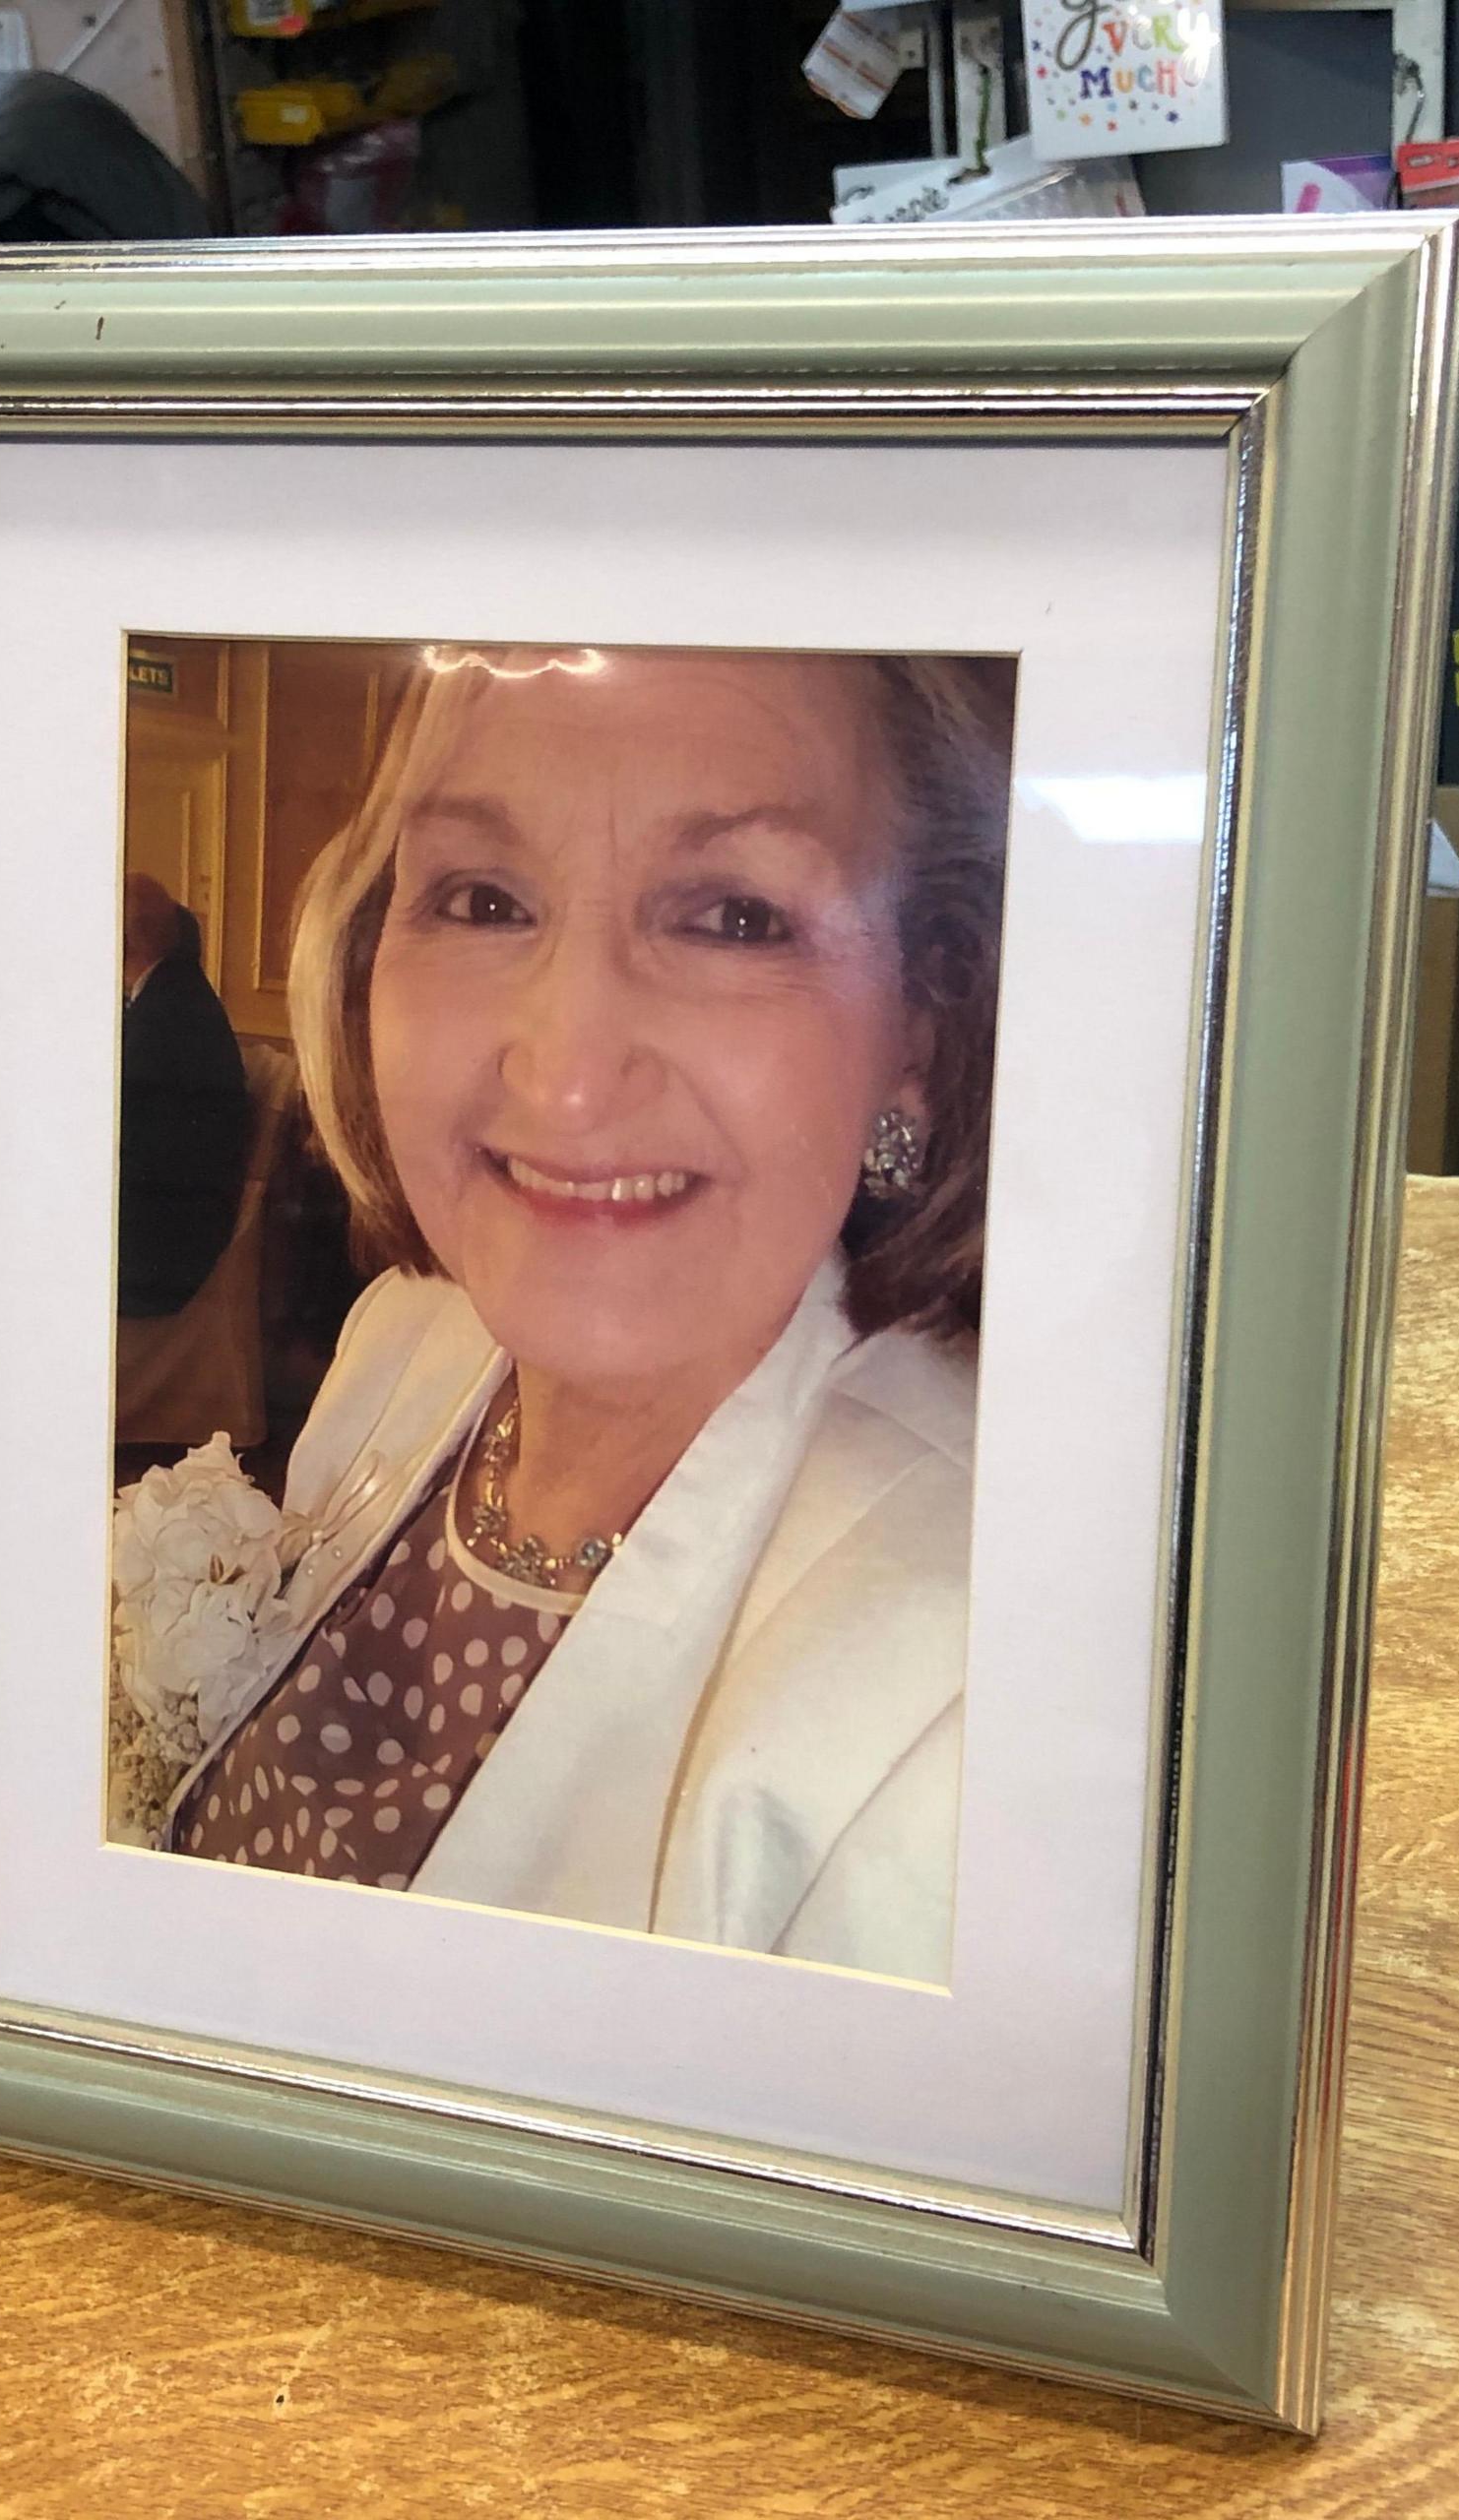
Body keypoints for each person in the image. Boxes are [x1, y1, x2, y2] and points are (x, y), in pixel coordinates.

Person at [154, 645, 1013, 1984]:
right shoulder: (405, 1345)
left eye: (732, 917)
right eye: (485, 898)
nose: (562, 1075)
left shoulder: (963, 1712)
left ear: (922, 1023)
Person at [118, 877, 251, 1321]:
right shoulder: (177, 996)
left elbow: (122, 1145)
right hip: (173, 1237)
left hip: (157, 1260)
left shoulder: (163, 1018)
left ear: (122, 938)